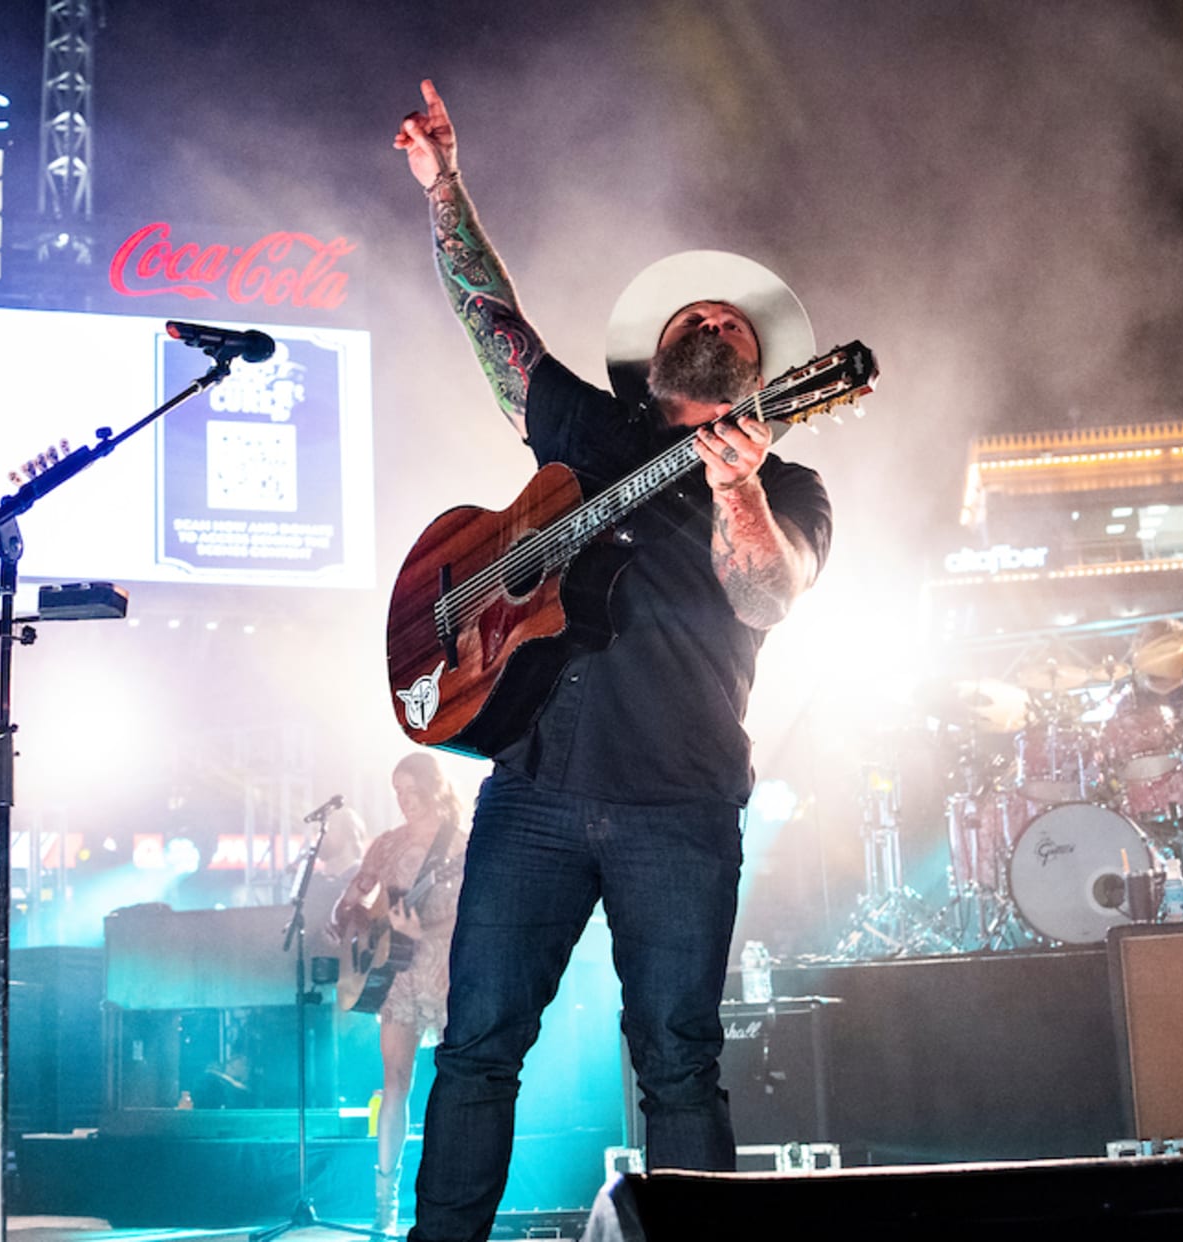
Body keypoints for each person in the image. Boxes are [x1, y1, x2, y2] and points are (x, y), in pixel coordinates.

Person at [391, 80, 831, 1242]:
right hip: (531, 785)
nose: (720, 322)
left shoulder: (789, 488)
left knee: (679, 1057)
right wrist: (447, 191)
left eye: (739, 325)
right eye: (703, 315)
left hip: (679, 800)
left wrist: (736, 488)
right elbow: (495, 323)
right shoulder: (584, 430)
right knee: (477, 1046)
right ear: (660, 350)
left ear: (770, 372)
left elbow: (770, 595)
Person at [327, 753, 466, 1234]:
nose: (404, 801)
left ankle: (452, 1197)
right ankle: (384, 1202)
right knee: (395, 1081)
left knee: (460, 1081)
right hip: (396, 973)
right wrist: (355, 922)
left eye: (411, 791)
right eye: (397, 793)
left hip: (447, 969)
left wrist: (424, 928)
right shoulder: (386, 846)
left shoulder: (461, 847)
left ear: (433, 788)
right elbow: (351, 901)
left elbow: (473, 910)